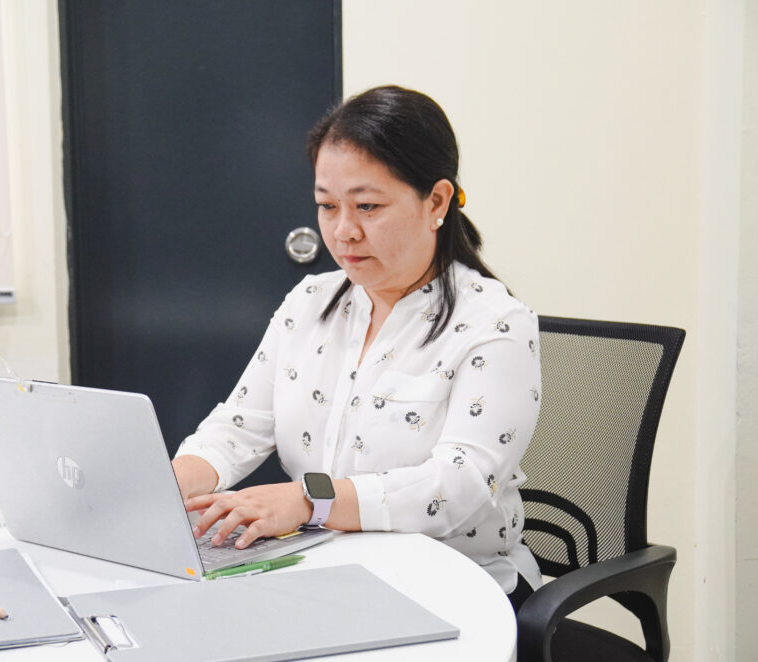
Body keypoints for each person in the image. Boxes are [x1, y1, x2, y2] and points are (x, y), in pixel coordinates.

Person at [172, 85, 542, 607]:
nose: (343, 232)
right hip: (324, 569)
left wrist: (308, 501)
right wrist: (170, 487)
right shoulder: (310, 301)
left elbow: (457, 488)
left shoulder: (495, 324)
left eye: (368, 206)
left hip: (456, 585)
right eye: (327, 206)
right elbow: (239, 427)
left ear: (435, 200)